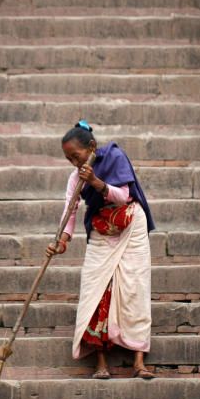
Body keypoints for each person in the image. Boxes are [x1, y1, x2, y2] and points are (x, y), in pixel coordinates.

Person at [46, 121, 156, 380]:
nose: (73, 162)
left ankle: (139, 362)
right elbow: (70, 211)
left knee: (135, 288)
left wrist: (95, 181)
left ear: (92, 147)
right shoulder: (75, 178)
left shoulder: (115, 157)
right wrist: (62, 241)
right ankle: (101, 363)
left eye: (76, 156)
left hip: (131, 224)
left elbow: (121, 195)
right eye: (68, 159)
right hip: (100, 229)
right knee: (95, 291)